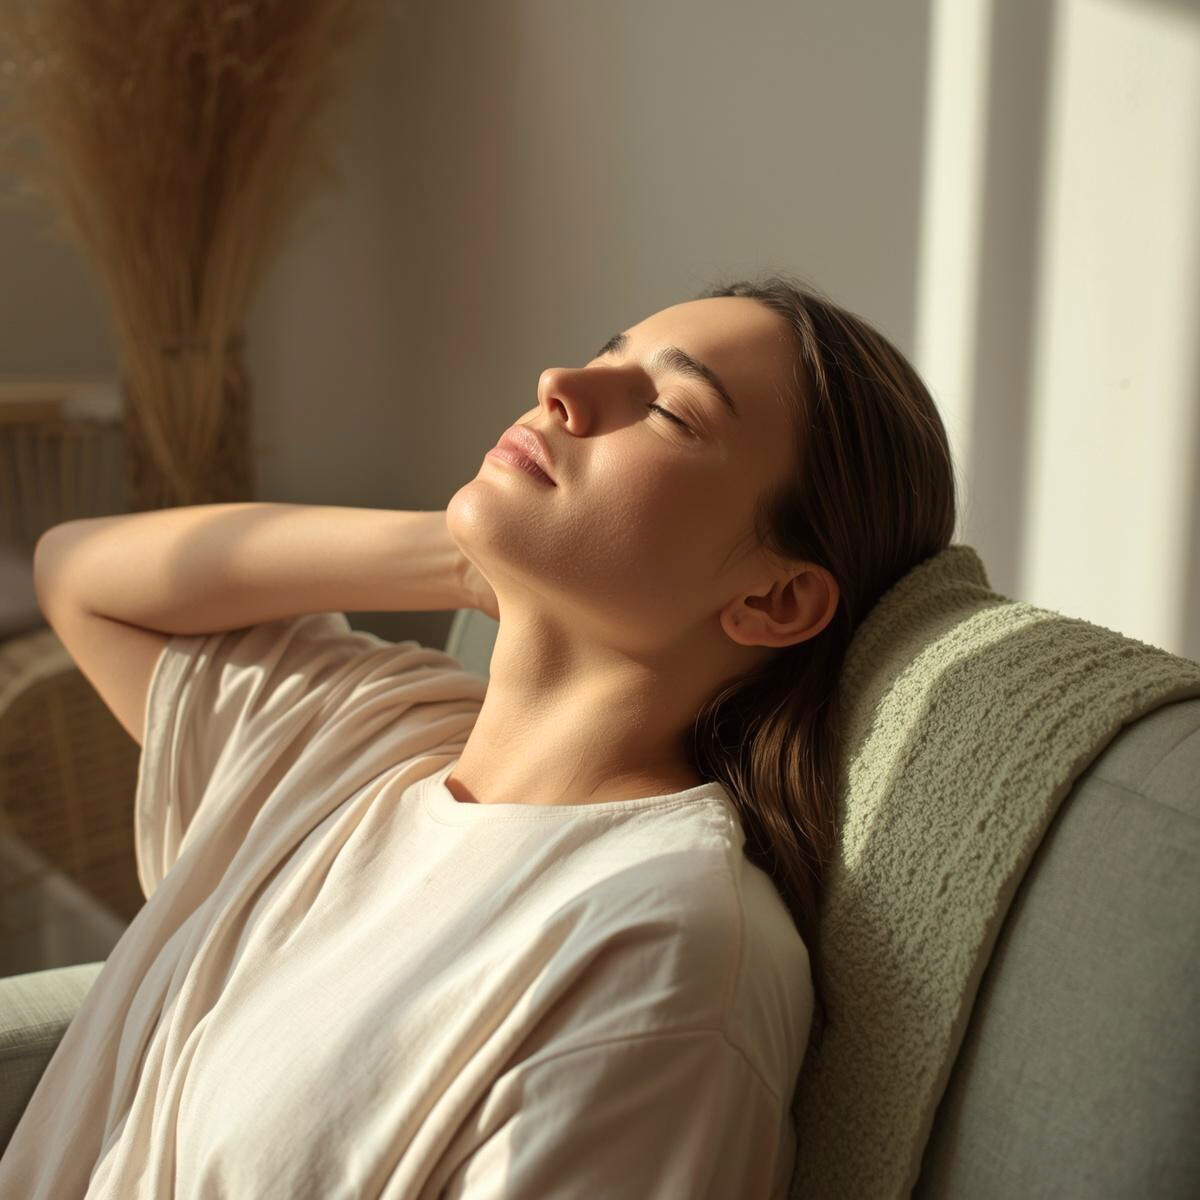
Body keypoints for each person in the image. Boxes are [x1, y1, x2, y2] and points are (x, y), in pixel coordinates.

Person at [2, 272, 956, 1199]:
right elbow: (79, 573)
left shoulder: (662, 954)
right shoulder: (364, 735)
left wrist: (506, 540)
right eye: (604, 355)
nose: (562, 386)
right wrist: (464, 553)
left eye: (669, 410)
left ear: (775, 598)